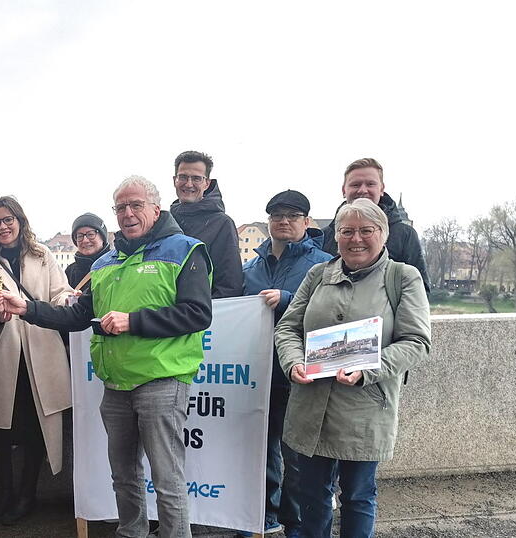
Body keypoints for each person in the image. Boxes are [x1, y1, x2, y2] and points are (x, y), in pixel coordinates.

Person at [0, 176, 213, 538]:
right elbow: (77, 317)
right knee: (124, 475)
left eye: (135, 205)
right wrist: (28, 309)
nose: (127, 214)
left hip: (162, 381)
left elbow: (197, 314)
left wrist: (134, 322)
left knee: (167, 478)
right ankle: (131, 532)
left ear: (155, 209)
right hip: (115, 384)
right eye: (120, 208)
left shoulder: (186, 250)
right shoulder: (105, 262)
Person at [275, 198, 431, 538]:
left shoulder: (402, 277)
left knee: (359, 496)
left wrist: (367, 370)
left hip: (365, 407)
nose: (355, 238)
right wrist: (293, 362)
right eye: (346, 231)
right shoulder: (318, 274)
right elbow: (288, 327)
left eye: (365, 230)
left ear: (383, 234)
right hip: (311, 407)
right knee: (312, 496)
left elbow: (416, 341)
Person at [0, 196, 75, 525]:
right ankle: (6, 493)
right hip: (2, 353)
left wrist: (70, 298)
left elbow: (58, 293)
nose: (3, 226)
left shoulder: (41, 254)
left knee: (35, 428)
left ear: (20, 221)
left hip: (41, 351)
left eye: (8, 219)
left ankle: (27, 494)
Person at [242, 190, 332, 538]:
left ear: (307, 222)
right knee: (261, 451)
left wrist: (287, 300)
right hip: (258, 372)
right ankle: (262, 516)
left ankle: (295, 523)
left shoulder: (323, 264)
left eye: (293, 216)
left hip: (301, 373)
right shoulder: (251, 266)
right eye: (277, 215)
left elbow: (332, 310)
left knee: (297, 457)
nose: (283, 221)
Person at [321, 158, 430, 293]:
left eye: (370, 184)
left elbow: (420, 290)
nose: (362, 190)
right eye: (355, 185)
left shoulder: (405, 235)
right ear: (344, 190)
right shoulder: (325, 235)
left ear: (381, 189)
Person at [169, 150, 244, 298]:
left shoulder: (222, 224)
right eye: (183, 177)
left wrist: (199, 315)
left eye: (196, 178)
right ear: (174, 180)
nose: (189, 184)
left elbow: (229, 286)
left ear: (207, 183)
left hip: (197, 316)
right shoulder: (164, 222)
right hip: (162, 315)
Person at [65, 212, 110, 293]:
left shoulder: (113, 266)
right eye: (80, 236)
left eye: (90, 234)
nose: (85, 240)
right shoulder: (69, 272)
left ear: (102, 237)